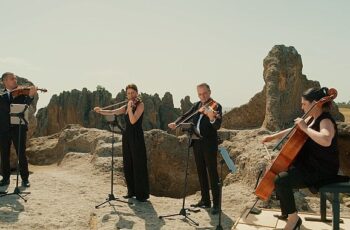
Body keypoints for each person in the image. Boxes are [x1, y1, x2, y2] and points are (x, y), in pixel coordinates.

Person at [262, 87, 340, 230]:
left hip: (321, 169)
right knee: (278, 173)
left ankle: (294, 219)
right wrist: (272, 137)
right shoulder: (312, 118)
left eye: (304, 103)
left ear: (315, 103)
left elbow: (326, 139)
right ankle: (287, 213)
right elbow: (294, 129)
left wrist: (305, 128)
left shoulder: (325, 120)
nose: (301, 106)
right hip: (310, 165)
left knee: (281, 180)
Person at [168, 83, 222, 215]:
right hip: (197, 142)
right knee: (201, 171)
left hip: (209, 144)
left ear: (209, 92)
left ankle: (216, 204)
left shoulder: (216, 106)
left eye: (204, 93)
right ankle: (205, 200)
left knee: (212, 174)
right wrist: (176, 123)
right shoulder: (197, 105)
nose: (202, 96)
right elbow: (185, 115)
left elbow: (217, 126)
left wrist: (211, 117)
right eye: (200, 94)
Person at [94, 84, 150, 202]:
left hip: (137, 137)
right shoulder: (126, 106)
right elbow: (113, 111)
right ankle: (131, 191)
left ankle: (141, 194)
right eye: (128, 93)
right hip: (127, 136)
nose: (130, 95)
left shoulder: (140, 105)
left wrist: (129, 109)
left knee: (138, 163)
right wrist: (100, 111)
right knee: (128, 163)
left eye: (132, 93)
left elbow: (133, 120)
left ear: (137, 93)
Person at [0, 72, 37, 187]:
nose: (15, 81)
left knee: (21, 153)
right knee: (4, 154)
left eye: (15, 79)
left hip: (18, 127)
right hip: (4, 129)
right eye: (12, 79)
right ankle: (5, 178)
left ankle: (25, 179)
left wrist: (30, 96)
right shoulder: (1, 96)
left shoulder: (21, 94)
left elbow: (26, 105)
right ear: (4, 81)